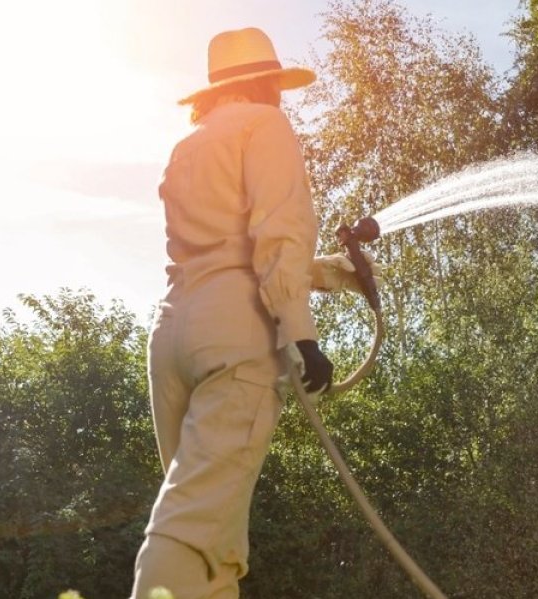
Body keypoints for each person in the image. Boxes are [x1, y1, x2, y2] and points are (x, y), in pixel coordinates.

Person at [131, 27, 368, 599]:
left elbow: (226, 250)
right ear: (266, 82)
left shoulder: (190, 145)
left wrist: (324, 272)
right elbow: (278, 233)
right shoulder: (266, 124)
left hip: (173, 336)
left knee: (213, 534)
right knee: (193, 528)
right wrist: (302, 334)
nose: (282, 97)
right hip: (237, 341)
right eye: (278, 85)